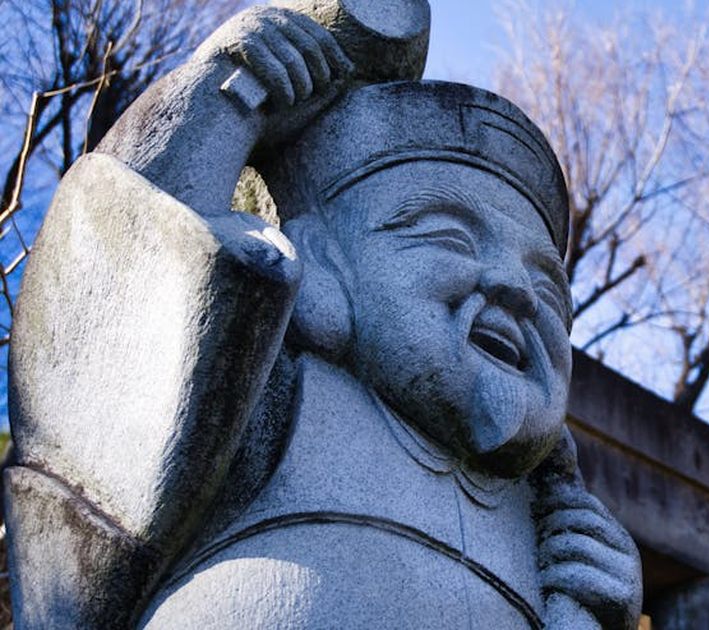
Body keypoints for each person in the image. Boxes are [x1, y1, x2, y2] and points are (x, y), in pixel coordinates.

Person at [4, 5, 640, 628]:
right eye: (448, 237)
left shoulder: (547, 514)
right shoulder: (266, 400)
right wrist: (228, 94)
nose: (515, 289)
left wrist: (584, 607)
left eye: (548, 288)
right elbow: (114, 308)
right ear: (320, 269)